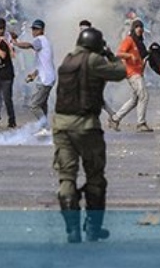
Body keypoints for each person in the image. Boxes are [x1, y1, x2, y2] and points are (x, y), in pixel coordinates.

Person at [53, 27, 127, 243]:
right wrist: (110, 54)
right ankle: (93, 228)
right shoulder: (94, 60)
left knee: (67, 177)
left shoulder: (68, 60)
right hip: (86, 125)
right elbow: (121, 71)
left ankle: (72, 229)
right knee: (95, 178)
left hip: (61, 126)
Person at [107, 20, 153, 132]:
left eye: (141, 27)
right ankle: (141, 124)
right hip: (132, 73)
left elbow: (143, 55)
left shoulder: (140, 43)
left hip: (138, 72)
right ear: (133, 29)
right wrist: (130, 56)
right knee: (144, 96)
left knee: (135, 100)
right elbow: (119, 53)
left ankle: (115, 119)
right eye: (137, 27)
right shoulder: (129, 40)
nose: (139, 29)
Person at [13, 19, 56, 137]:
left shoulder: (40, 40)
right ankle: (44, 128)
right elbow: (44, 63)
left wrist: (15, 43)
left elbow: (28, 45)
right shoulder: (45, 42)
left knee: (34, 105)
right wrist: (33, 75)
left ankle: (45, 128)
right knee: (42, 104)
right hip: (48, 77)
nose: (34, 31)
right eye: (33, 29)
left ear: (42, 30)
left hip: (45, 79)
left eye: (36, 29)